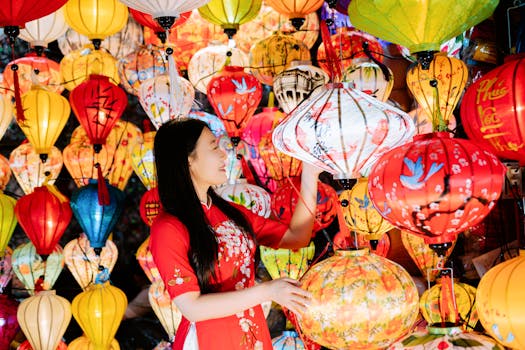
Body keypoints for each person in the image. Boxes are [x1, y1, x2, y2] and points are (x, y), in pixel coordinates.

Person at [149, 118, 322, 350]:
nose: (224, 155)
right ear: (188, 160)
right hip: (208, 341)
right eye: (213, 147)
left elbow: (296, 237)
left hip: (252, 334)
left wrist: (310, 174)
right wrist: (267, 291)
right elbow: (192, 307)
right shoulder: (168, 228)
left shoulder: (230, 213)